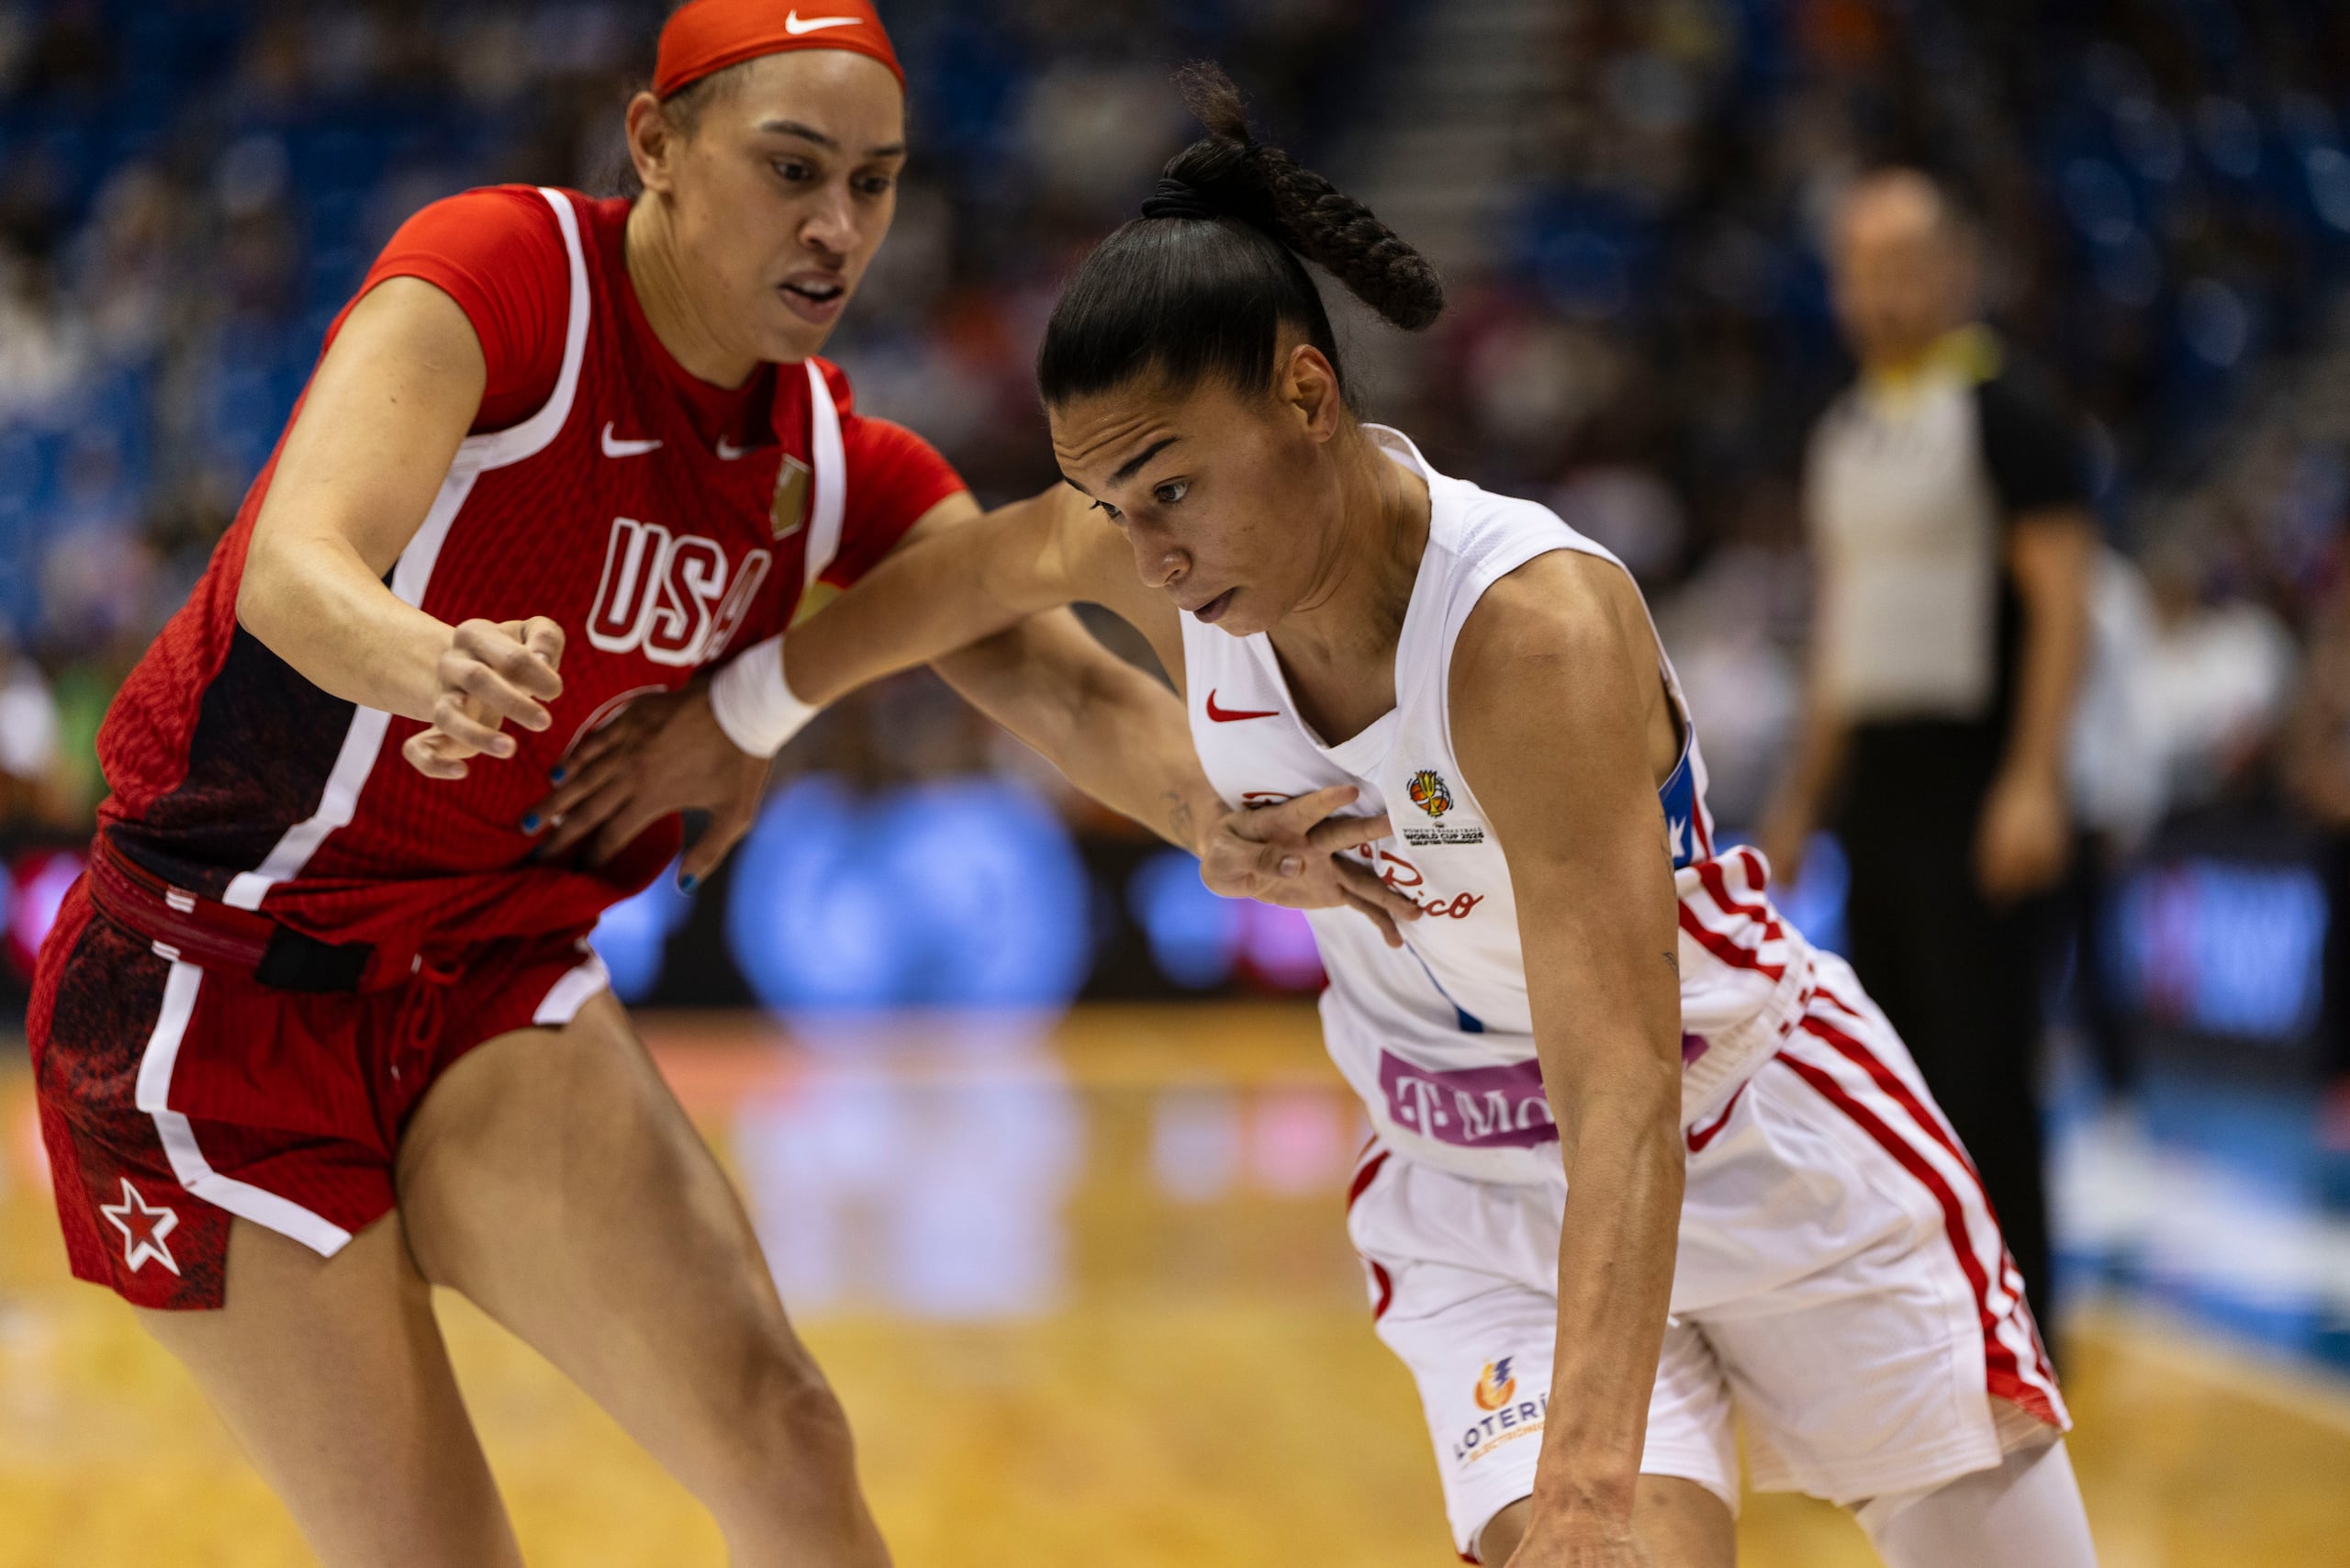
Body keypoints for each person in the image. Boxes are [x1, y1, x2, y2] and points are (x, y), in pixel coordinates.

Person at [540, 66, 2098, 1568]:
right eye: (1114, 505)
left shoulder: (1527, 634)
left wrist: (1584, 1485)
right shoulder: (1158, 552)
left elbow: (1622, 1084)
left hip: (1735, 1124)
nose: (1146, 551)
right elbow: (957, 580)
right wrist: (747, 713)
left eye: (1170, 488)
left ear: (1306, 394)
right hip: (1471, 1184)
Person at [23, 9, 1394, 1564]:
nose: (838, 228)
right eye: (792, 170)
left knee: (786, 1434)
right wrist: (428, 662)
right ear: (656, 145)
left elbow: (1056, 675)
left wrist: (1215, 816)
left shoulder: (822, 457)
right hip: (208, 992)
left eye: (874, 182)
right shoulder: (505, 275)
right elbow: (293, 567)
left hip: (481, 978)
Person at [1758, 171, 2095, 1325]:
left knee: (1986, 1063)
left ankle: (2024, 1328)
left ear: (1958, 271)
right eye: (1860, 270)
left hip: (1978, 774)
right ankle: (1927, 1317)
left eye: (1902, 266)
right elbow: (1840, 631)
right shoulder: (1843, 433)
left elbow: (2062, 604)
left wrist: (2033, 777)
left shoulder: (2009, 417)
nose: (1880, 292)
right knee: (1892, 1066)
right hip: (1878, 786)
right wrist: (1800, 799)